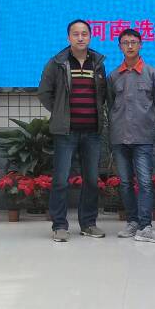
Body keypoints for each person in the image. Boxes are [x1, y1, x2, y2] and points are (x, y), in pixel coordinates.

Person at [37, 19, 108, 242]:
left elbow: (102, 94)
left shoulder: (97, 63)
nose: (80, 37)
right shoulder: (57, 62)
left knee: (92, 180)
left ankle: (88, 223)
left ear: (90, 36)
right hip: (65, 133)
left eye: (84, 33)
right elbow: (44, 92)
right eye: (76, 34)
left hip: (92, 132)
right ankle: (59, 225)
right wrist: (60, 112)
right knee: (60, 180)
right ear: (68, 37)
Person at [108, 29, 155, 243]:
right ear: (120, 47)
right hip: (119, 137)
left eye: (134, 42)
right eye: (125, 43)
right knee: (125, 183)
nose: (130, 46)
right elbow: (110, 104)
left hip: (143, 137)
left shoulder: (153, 74)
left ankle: (146, 226)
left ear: (141, 45)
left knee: (144, 182)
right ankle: (132, 222)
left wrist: (147, 119)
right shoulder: (114, 76)